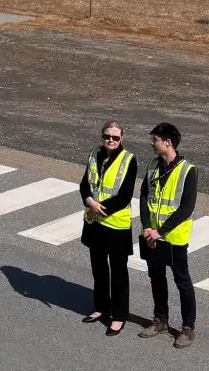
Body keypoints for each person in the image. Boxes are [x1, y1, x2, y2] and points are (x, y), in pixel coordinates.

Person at [138, 122, 198, 349]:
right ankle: (160, 319)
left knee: (182, 281)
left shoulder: (188, 170)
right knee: (156, 278)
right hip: (151, 235)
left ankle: (188, 328)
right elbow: (145, 196)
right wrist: (146, 226)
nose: (152, 144)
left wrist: (160, 231)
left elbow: (186, 208)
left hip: (173, 238)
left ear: (168, 142)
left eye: (155, 140)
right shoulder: (153, 165)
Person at [80, 121, 137, 336]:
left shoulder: (129, 159)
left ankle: (119, 316)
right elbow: (85, 183)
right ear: (101, 136)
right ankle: (101, 307)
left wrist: (100, 208)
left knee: (118, 272)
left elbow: (124, 196)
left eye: (115, 137)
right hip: (94, 222)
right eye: (107, 136)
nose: (110, 140)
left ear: (122, 139)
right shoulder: (95, 153)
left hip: (116, 224)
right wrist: (88, 201)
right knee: (99, 268)